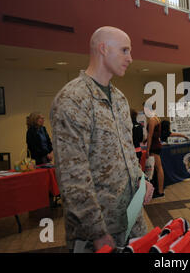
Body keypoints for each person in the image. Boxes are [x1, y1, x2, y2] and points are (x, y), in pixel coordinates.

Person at [50, 26, 153, 252]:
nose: (130, 58)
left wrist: (141, 179)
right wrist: (97, 232)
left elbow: (128, 151)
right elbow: (73, 175)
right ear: (103, 49)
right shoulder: (73, 99)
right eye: (125, 50)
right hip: (97, 231)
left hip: (131, 220)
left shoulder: (119, 98)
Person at [145, 102, 165, 198]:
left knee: (158, 168)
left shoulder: (152, 120)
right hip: (156, 144)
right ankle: (160, 190)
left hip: (154, 146)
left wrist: (147, 149)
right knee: (158, 168)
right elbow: (153, 135)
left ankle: (160, 191)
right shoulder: (156, 118)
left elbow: (150, 135)